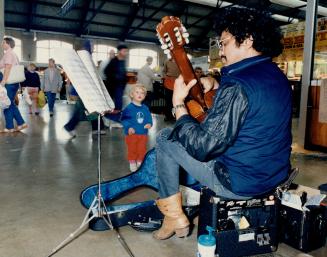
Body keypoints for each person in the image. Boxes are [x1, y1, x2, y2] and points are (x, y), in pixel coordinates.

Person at [153, 7, 292, 240]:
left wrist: (178, 105)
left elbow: (203, 148)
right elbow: (250, 99)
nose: (222, 50)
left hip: (241, 183)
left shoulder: (238, 86)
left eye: (224, 42)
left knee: (165, 138)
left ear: (247, 40)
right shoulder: (275, 74)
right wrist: (214, 82)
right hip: (274, 175)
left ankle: (173, 215)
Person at [121, 85, 152, 172]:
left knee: (142, 148)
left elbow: (149, 118)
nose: (140, 94)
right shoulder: (129, 108)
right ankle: (132, 162)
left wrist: (149, 123)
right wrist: (129, 127)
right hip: (132, 134)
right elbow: (124, 119)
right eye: (137, 92)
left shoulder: (145, 108)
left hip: (143, 133)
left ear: (145, 96)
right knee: (132, 148)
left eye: (142, 93)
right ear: (132, 94)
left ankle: (139, 161)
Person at [0, 37, 28, 133]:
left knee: (6, 104)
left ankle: (10, 127)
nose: (2, 44)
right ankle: (19, 124)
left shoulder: (8, 54)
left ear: (8, 43)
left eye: (3, 42)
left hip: (8, 82)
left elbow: (8, 68)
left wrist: (3, 81)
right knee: (9, 103)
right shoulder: (13, 54)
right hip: (13, 83)